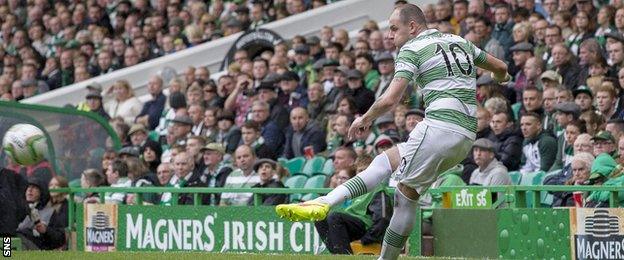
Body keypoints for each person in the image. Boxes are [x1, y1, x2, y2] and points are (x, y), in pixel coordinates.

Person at [275, 4, 510, 260]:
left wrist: (365, 119)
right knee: (385, 162)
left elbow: (390, 99)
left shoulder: (411, 48)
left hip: (439, 128)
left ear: (412, 27)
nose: (389, 35)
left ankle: (368, 243)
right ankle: (326, 201)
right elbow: (499, 66)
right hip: (465, 135)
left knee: (403, 196)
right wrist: (502, 77)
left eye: (393, 28)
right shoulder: (459, 40)